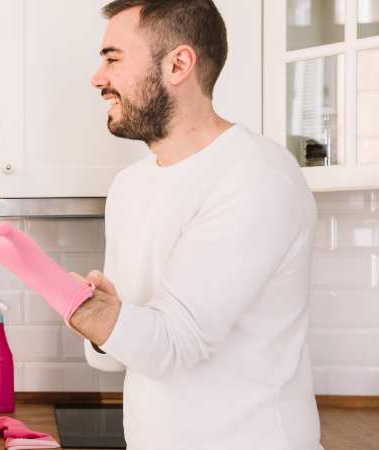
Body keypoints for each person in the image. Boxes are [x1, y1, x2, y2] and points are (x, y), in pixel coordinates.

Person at [67, 1, 323, 449]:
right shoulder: (130, 187)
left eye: (112, 58)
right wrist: (102, 320)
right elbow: (120, 354)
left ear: (178, 64)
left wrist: (85, 309)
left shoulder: (256, 177)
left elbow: (174, 345)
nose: (97, 78)